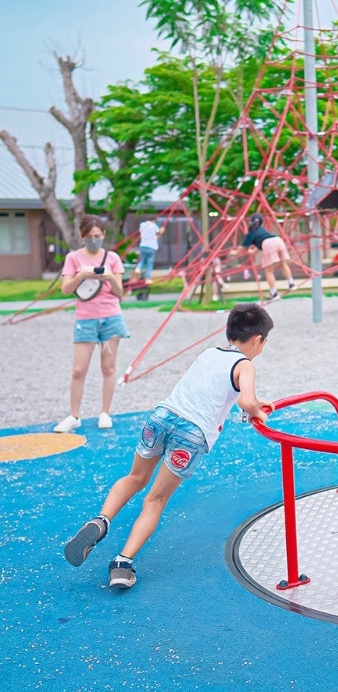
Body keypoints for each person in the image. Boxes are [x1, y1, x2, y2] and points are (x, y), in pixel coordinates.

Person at [63, 304, 273, 589]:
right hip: (192, 434)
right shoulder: (245, 364)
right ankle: (122, 564)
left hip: (162, 417)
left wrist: (250, 406)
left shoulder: (208, 353)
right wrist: (257, 412)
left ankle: (101, 521)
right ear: (258, 339)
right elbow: (245, 401)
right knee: (155, 500)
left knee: (135, 478)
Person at [55, 215, 129, 433]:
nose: (94, 240)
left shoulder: (112, 258)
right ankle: (74, 415)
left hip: (111, 317)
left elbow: (120, 292)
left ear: (104, 235)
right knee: (78, 369)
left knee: (108, 367)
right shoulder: (73, 258)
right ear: (82, 236)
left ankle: (104, 412)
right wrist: (81, 275)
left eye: (98, 236)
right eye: (89, 237)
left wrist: (110, 278)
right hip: (85, 319)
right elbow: (66, 289)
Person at [241, 212, 295, 299]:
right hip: (278, 240)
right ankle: (291, 283)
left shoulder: (251, 233)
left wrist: (234, 253)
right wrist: (251, 252)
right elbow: (256, 250)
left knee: (269, 270)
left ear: (250, 222)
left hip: (268, 244)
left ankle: (273, 293)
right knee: (283, 264)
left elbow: (242, 249)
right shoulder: (263, 230)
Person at [135, 217, 165, 284]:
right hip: (151, 247)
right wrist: (162, 229)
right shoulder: (154, 226)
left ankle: (138, 268)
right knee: (149, 263)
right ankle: (147, 278)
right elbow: (159, 233)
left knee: (142, 260)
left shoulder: (142, 225)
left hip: (142, 245)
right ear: (153, 221)